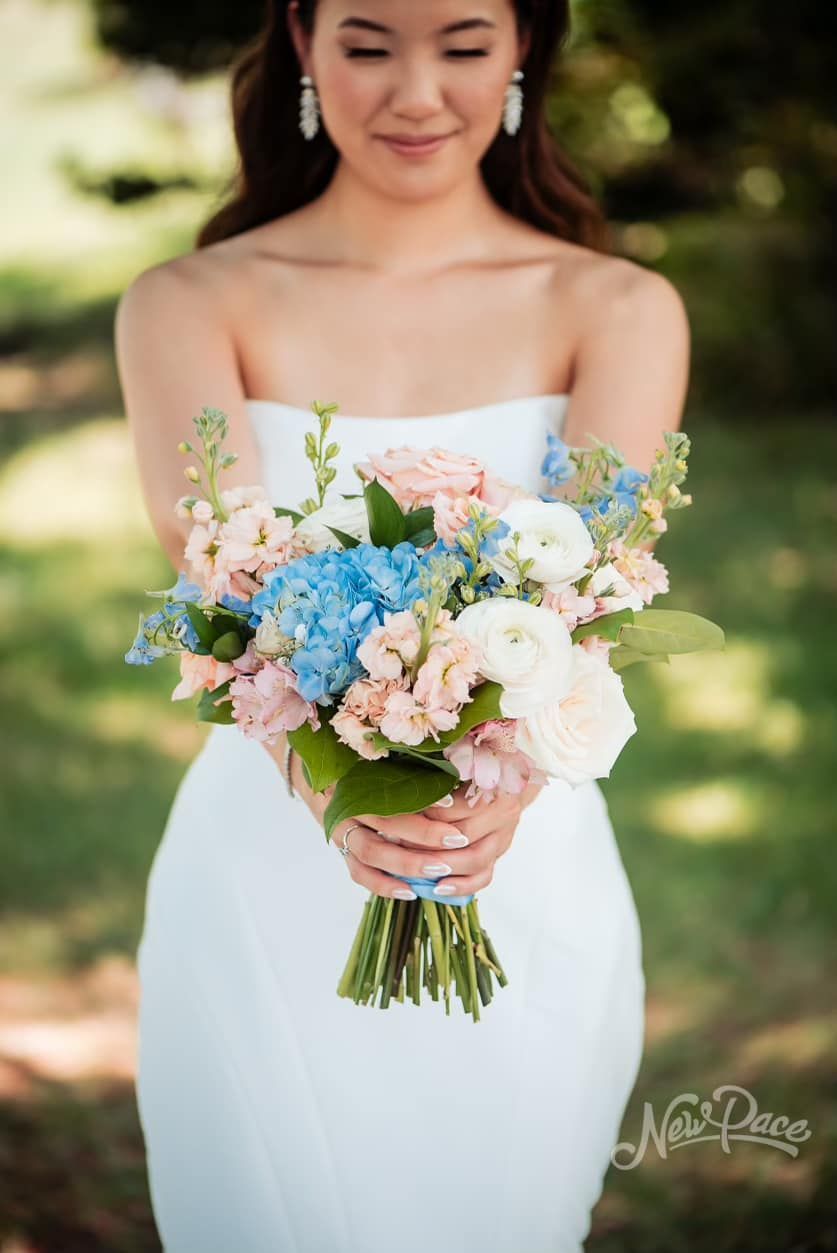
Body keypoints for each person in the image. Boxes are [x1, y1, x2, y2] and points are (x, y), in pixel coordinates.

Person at [116, 1, 690, 1249]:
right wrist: (340, 794)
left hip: (518, 858)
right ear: (304, 45)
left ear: (526, 50)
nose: (416, 92)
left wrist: (493, 798)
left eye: (464, 45)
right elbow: (216, 591)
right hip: (262, 862)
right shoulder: (185, 300)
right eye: (370, 44)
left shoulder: (621, 305)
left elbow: (595, 597)